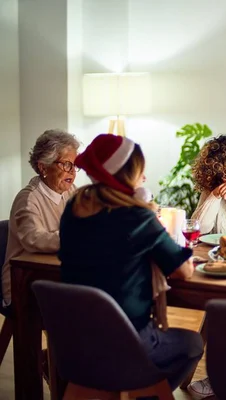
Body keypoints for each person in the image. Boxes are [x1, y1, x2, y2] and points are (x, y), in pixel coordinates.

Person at [59, 134, 204, 390]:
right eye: (140, 172)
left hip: (74, 346)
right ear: (125, 175)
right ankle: (146, 393)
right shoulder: (137, 217)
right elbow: (183, 271)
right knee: (192, 344)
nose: (144, 178)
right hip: (126, 346)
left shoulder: (73, 207)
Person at [3, 129, 79, 308]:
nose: (73, 172)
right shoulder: (28, 199)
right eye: (66, 165)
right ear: (43, 167)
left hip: (53, 273)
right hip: (22, 282)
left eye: (74, 165)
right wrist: (77, 237)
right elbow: (33, 239)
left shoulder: (70, 191)